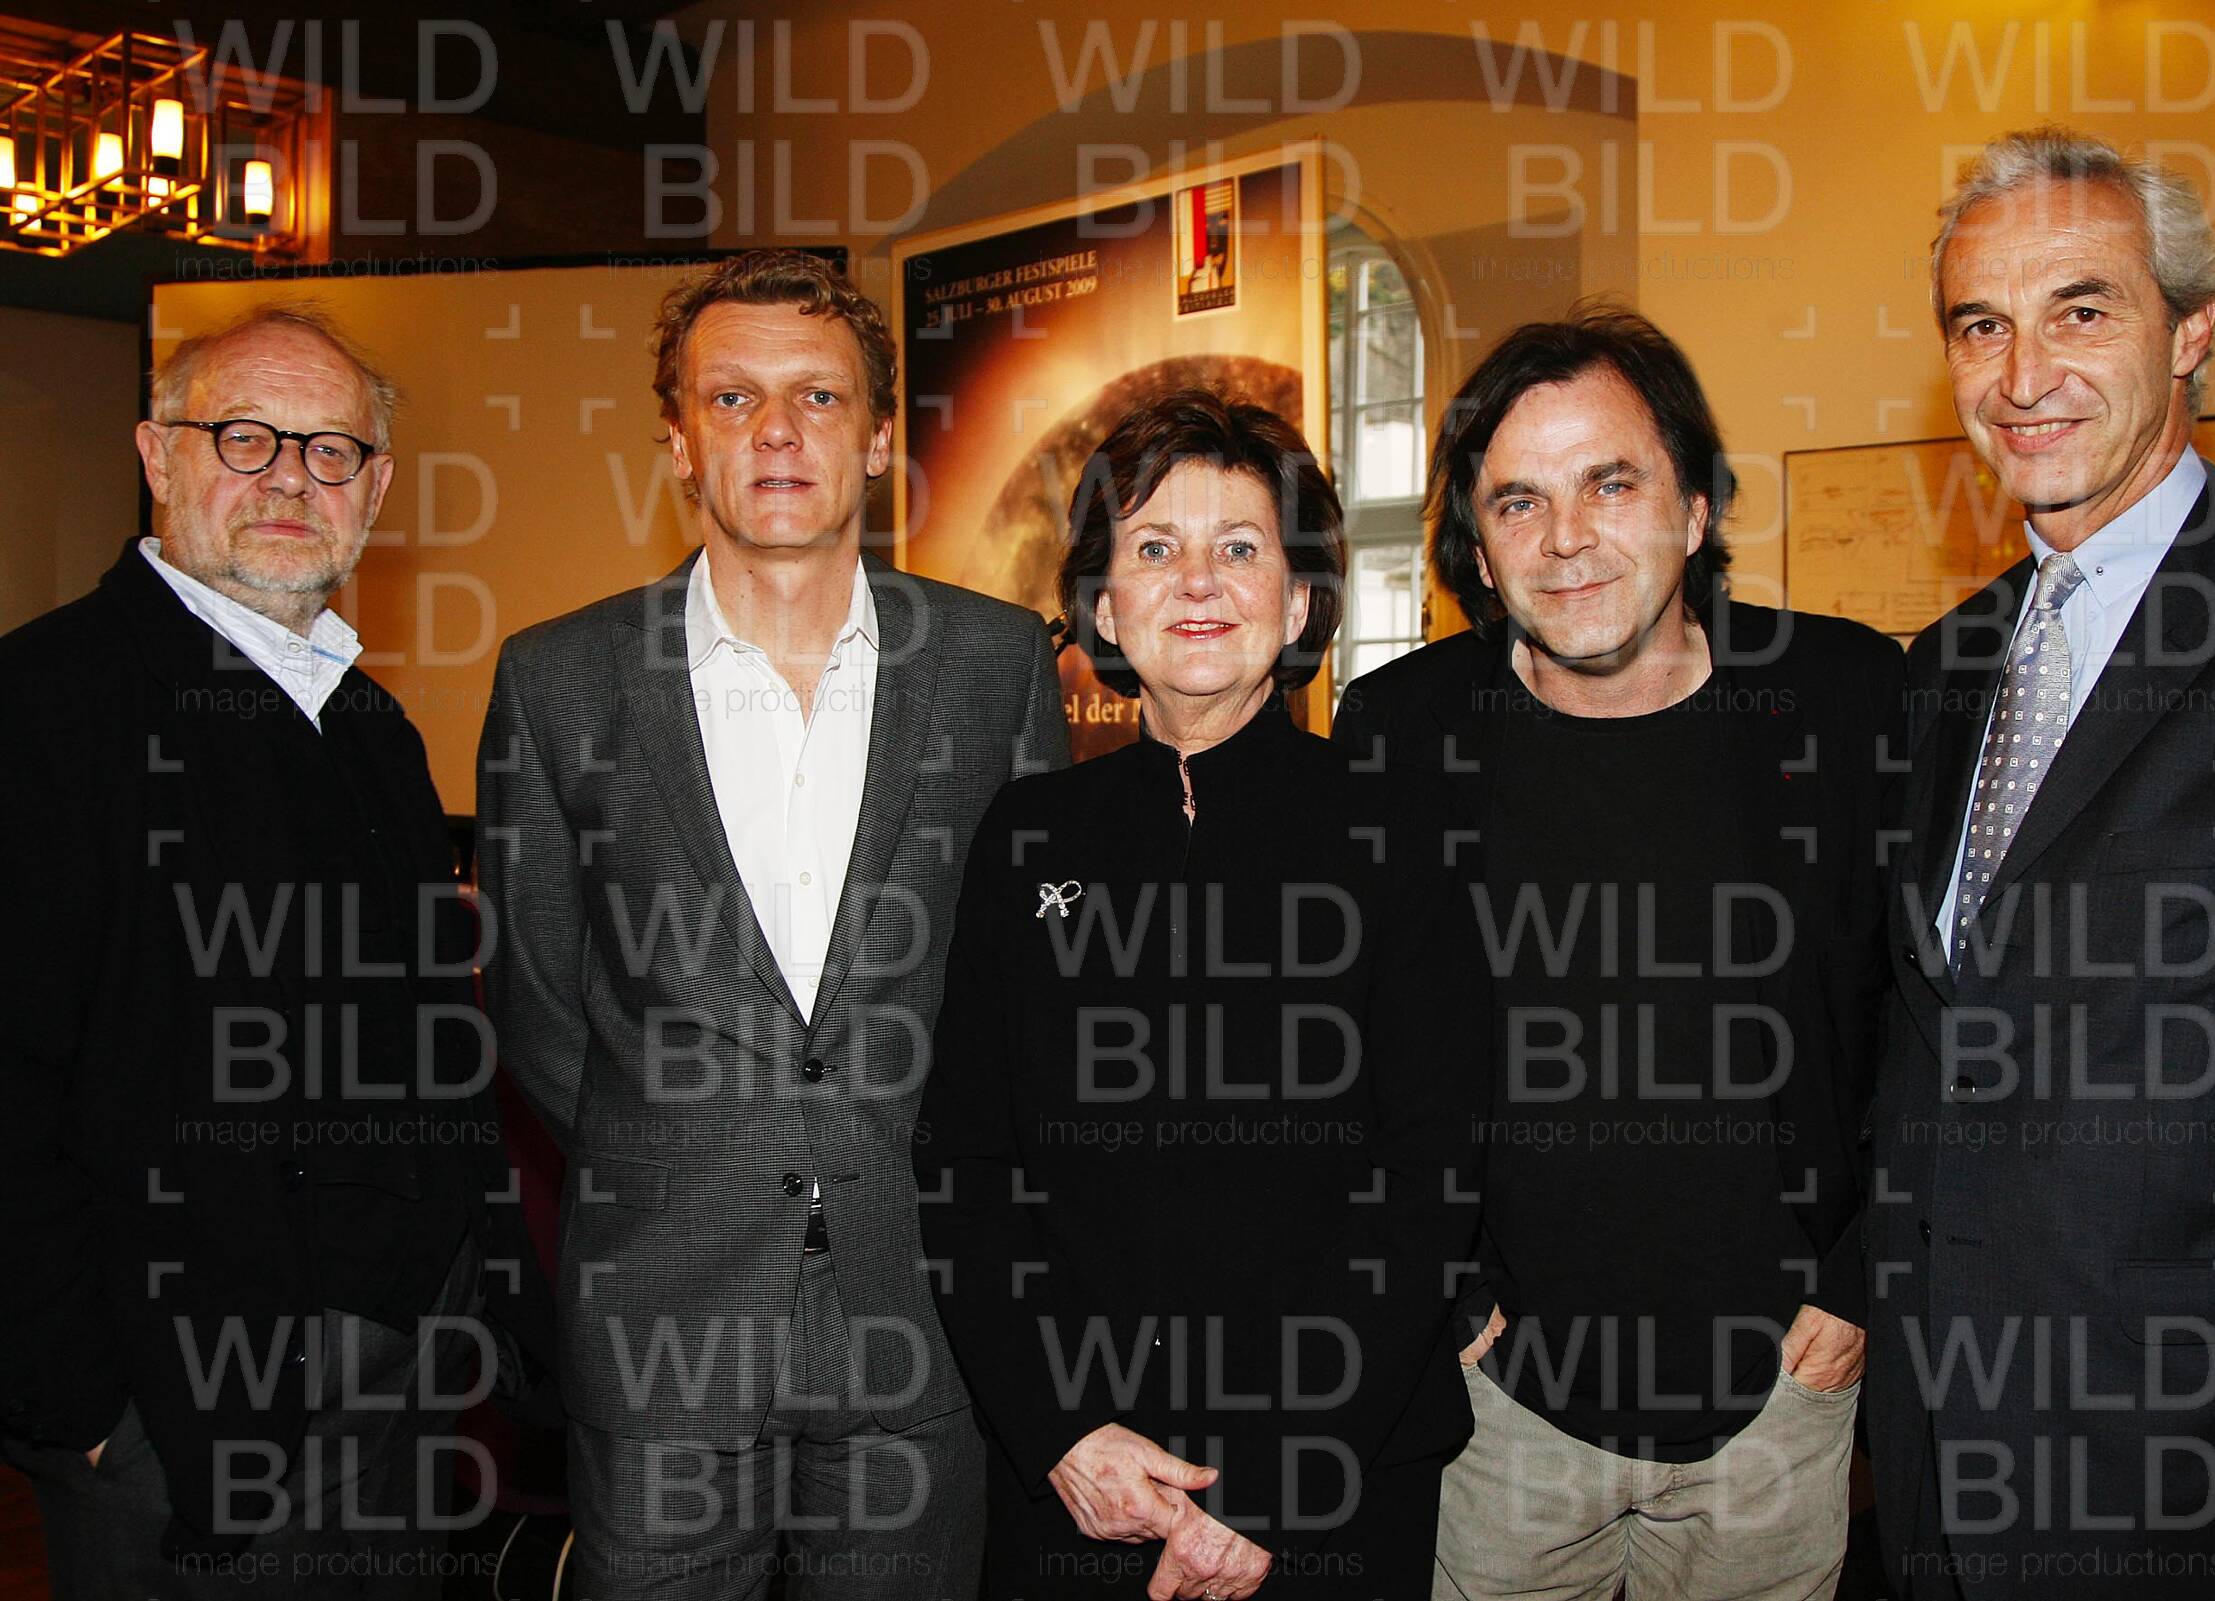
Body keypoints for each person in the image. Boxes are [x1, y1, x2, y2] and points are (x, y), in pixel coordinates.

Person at [476, 248, 1068, 1598]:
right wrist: (692, 1151)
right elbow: (539, 1003)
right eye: (733, 398)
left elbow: (1030, 989)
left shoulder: (995, 664)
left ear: (877, 438)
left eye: (819, 395)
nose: (780, 431)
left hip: (924, 1304)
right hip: (663, 1314)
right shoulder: (559, 677)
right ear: (680, 442)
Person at [1866, 127, 2215, 1600]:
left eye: (2082, 309)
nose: (2022, 374)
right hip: (1943, 1472)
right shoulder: (1945, 665)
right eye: (1981, 326)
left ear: (2192, 331)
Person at [1335, 305, 1903, 1600]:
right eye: (1518, 501)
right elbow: (1350, 1047)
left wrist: (1860, 1280)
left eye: (1611, 483)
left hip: (1780, 1392)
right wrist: (1450, 1298)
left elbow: (1920, 1018)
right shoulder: (1400, 734)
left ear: (1695, 509)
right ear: (1478, 552)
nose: (1566, 537)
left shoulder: (1843, 700)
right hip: (1503, 1412)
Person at [915, 389, 1488, 1600]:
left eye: (1238, 547)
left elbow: (1428, 1174)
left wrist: (1275, 1486)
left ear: (1299, 599)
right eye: (1154, 548)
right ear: (1102, 604)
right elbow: (966, 1160)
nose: (1197, 583)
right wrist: (1062, 1430)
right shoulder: (1028, 835)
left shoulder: (1397, 830)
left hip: (1336, 1483)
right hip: (1080, 1484)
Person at [0, 305, 523, 1594]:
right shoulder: (45, 706)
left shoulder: (374, 726)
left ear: (375, 489)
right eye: (244, 437)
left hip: (402, 1384)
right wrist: (85, 1406)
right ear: (155, 455)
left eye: (331, 450)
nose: (292, 476)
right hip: (182, 1411)